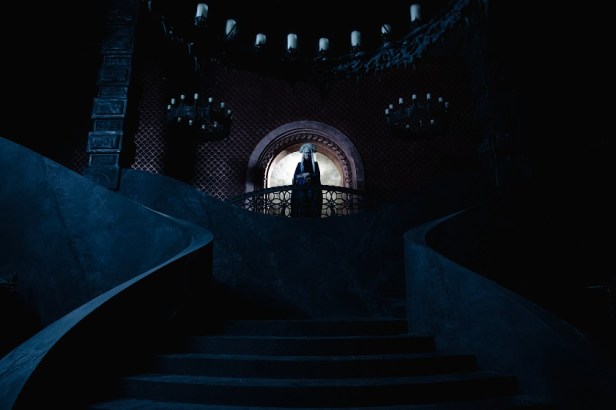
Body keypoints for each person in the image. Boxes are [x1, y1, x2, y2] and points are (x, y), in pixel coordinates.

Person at [290, 143, 322, 217]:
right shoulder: (299, 164)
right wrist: (303, 175)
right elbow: (295, 176)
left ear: (311, 154)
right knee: (302, 209)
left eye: (308, 153)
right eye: (305, 153)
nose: (307, 154)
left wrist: (309, 174)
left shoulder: (315, 164)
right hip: (301, 191)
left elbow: (317, 175)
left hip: (312, 192)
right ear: (303, 154)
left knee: (311, 210)